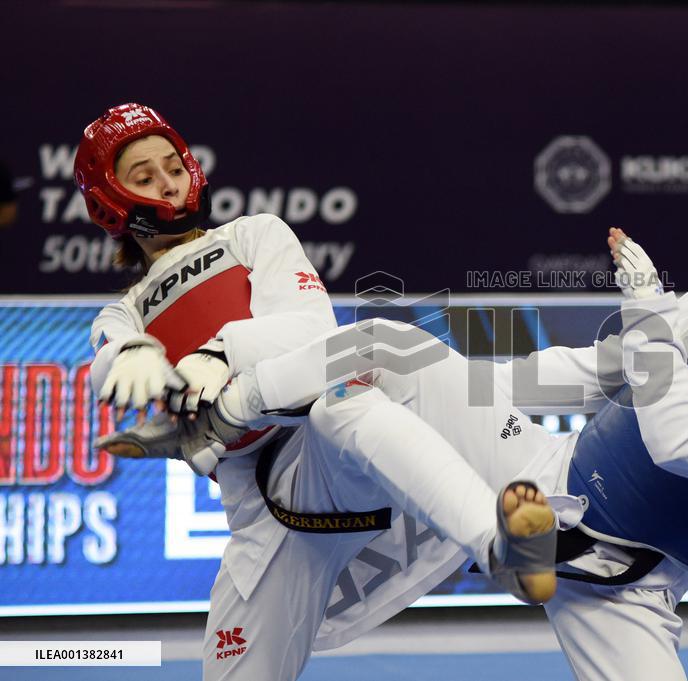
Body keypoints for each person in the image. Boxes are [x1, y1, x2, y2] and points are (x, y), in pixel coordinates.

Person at [123, 163, 688, 681]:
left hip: (624, 586)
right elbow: (594, 373)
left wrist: (645, 310)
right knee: (374, 360)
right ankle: (230, 413)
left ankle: (515, 544)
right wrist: (468, 385)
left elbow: (683, 443)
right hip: (540, 484)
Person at [79, 103, 555, 681]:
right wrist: (131, 355)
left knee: (360, 383)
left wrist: (219, 351)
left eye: (173, 166)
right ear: (111, 198)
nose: (168, 183)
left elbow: (311, 331)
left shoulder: (253, 234)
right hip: (259, 518)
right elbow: (107, 356)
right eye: (144, 175)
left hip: (319, 452)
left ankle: (502, 542)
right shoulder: (122, 312)